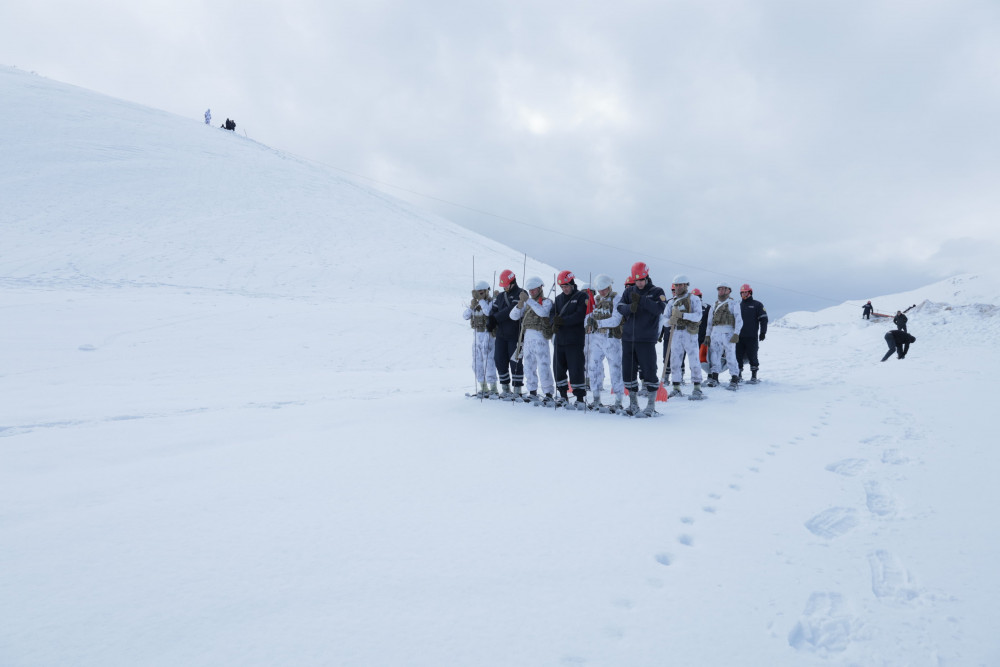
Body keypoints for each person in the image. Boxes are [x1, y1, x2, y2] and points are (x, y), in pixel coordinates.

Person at [617, 262, 667, 416]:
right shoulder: (629, 291)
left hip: (646, 339)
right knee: (628, 371)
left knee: (649, 371)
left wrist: (643, 301)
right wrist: (629, 307)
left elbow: (660, 308)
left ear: (647, 276)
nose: (639, 283)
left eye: (641, 280)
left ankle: (651, 406)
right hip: (628, 339)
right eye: (636, 280)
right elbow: (619, 307)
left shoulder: (656, 291)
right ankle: (633, 404)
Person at [510, 276, 555, 404]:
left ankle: (548, 392)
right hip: (528, 337)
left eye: (534, 290)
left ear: (540, 288)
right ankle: (532, 391)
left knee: (543, 365)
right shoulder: (527, 304)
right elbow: (513, 316)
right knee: (528, 366)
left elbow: (542, 313)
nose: (531, 292)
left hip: (540, 336)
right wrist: (520, 305)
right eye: (530, 290)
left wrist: (528, 301)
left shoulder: (546, 302)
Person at [585, 274, 625, 412]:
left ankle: (618, 400)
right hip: (596, 338)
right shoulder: (595, 300)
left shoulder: (617, 299)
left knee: (615, 369)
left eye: (604, 289)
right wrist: (588, 323)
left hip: (611, 338)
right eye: (600, 289)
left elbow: (616, 320)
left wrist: (598, 323)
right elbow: (589, 317)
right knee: (593, 367)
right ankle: (596, 399)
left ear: (609, 287)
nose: (602, 292)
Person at [552, 270, 590, 408]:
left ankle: (580, 397)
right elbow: (553, 314)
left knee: (576, 369)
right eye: (562, 287)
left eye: (566, 286)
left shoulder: (581, 296)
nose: (565, 289)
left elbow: (579, 315)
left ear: (572, 283)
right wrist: (553, 323)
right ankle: (563, 396)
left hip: (575, 340)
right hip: (560, 341)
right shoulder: (558, 299)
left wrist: (562, 321)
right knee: (558, 369)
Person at [664, 275, 705, 399]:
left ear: (686, 285)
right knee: (675, 361)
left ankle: (697, 387)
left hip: (689, 333)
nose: (678, 287)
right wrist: (670, 321)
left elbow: (698, 316)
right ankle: (676, 387)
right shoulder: (671, 302)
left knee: (694, 360)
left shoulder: (694, 299)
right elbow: (664, 319)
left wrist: (682, 315)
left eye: (680, 285)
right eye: (676, 285)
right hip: (676, 333)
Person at [486, 270, 524, 399]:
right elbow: (494, 310)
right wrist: (490, 320)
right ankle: (505, 388)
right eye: (503, 286)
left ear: (512, 282)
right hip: (501, 335)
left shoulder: (521, 294)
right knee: (499, 360)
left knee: (515, 362)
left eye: (507, 285)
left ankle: (517, 389)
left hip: (515, 334)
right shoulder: (501, 296)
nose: (505, 287)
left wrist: (495, 318)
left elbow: (510, 311)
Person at [703, 281, 743, 389]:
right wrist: (707, 335)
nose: (720, 291)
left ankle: (734, 378)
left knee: (730, 356)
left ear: (728, 290)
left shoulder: (734, 304)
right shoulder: (714, 305)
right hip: (715, 333)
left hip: (728, 332)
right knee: (714, 356)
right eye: (719, 289)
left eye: (723, 289)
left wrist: (736, 333)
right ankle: (714, 378)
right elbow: (710, 322)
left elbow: (739, 320)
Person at [463, 281, 497, 397]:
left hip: (488, 335)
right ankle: (483, 387)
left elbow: (488, 312)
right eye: (478, 293)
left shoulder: (492, 302)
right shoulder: (476, 304)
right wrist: (472, 306)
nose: (479, 295)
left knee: (489, 362)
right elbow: (465, 316)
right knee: (477, 363)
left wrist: (481, 300)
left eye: (482, 293)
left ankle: (493, 388)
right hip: (477, 335)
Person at [736, 283, 768, 384]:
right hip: (738, 337)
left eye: (746, 292)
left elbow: (764, 319)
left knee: (752, 356)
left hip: (751, 336)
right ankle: (738, 376)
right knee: (738, 357)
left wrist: (763, 332)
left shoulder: (757, 305)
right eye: (742, 293)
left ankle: (754, 377)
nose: (744, 294)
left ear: (750, 292)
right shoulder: (738, 305)